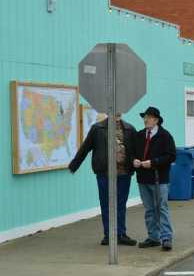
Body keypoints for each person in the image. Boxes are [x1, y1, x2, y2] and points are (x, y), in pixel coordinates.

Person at [68, 114, 137, 246]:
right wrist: (74, 165)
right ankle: (108, 235)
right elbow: (85, 147)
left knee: (120, 205)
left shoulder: (129, 129)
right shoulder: (97, 129)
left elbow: (136, 150)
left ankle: (121, 234)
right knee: (106, 205)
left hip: (124, 174)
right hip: (104, 174)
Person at [133, 107, 177, 251]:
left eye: (149, 117)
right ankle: (153, 237)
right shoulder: (139, 136)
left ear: (156, 120)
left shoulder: (165, 136)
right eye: (144, 117)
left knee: (161, 208)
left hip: (159, 179)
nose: (146, 120)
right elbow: (132, 153)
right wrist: (134, 161)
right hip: (143, 179)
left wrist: (153, 162)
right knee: (149, 209)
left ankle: (166, 238)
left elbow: (171, 156)